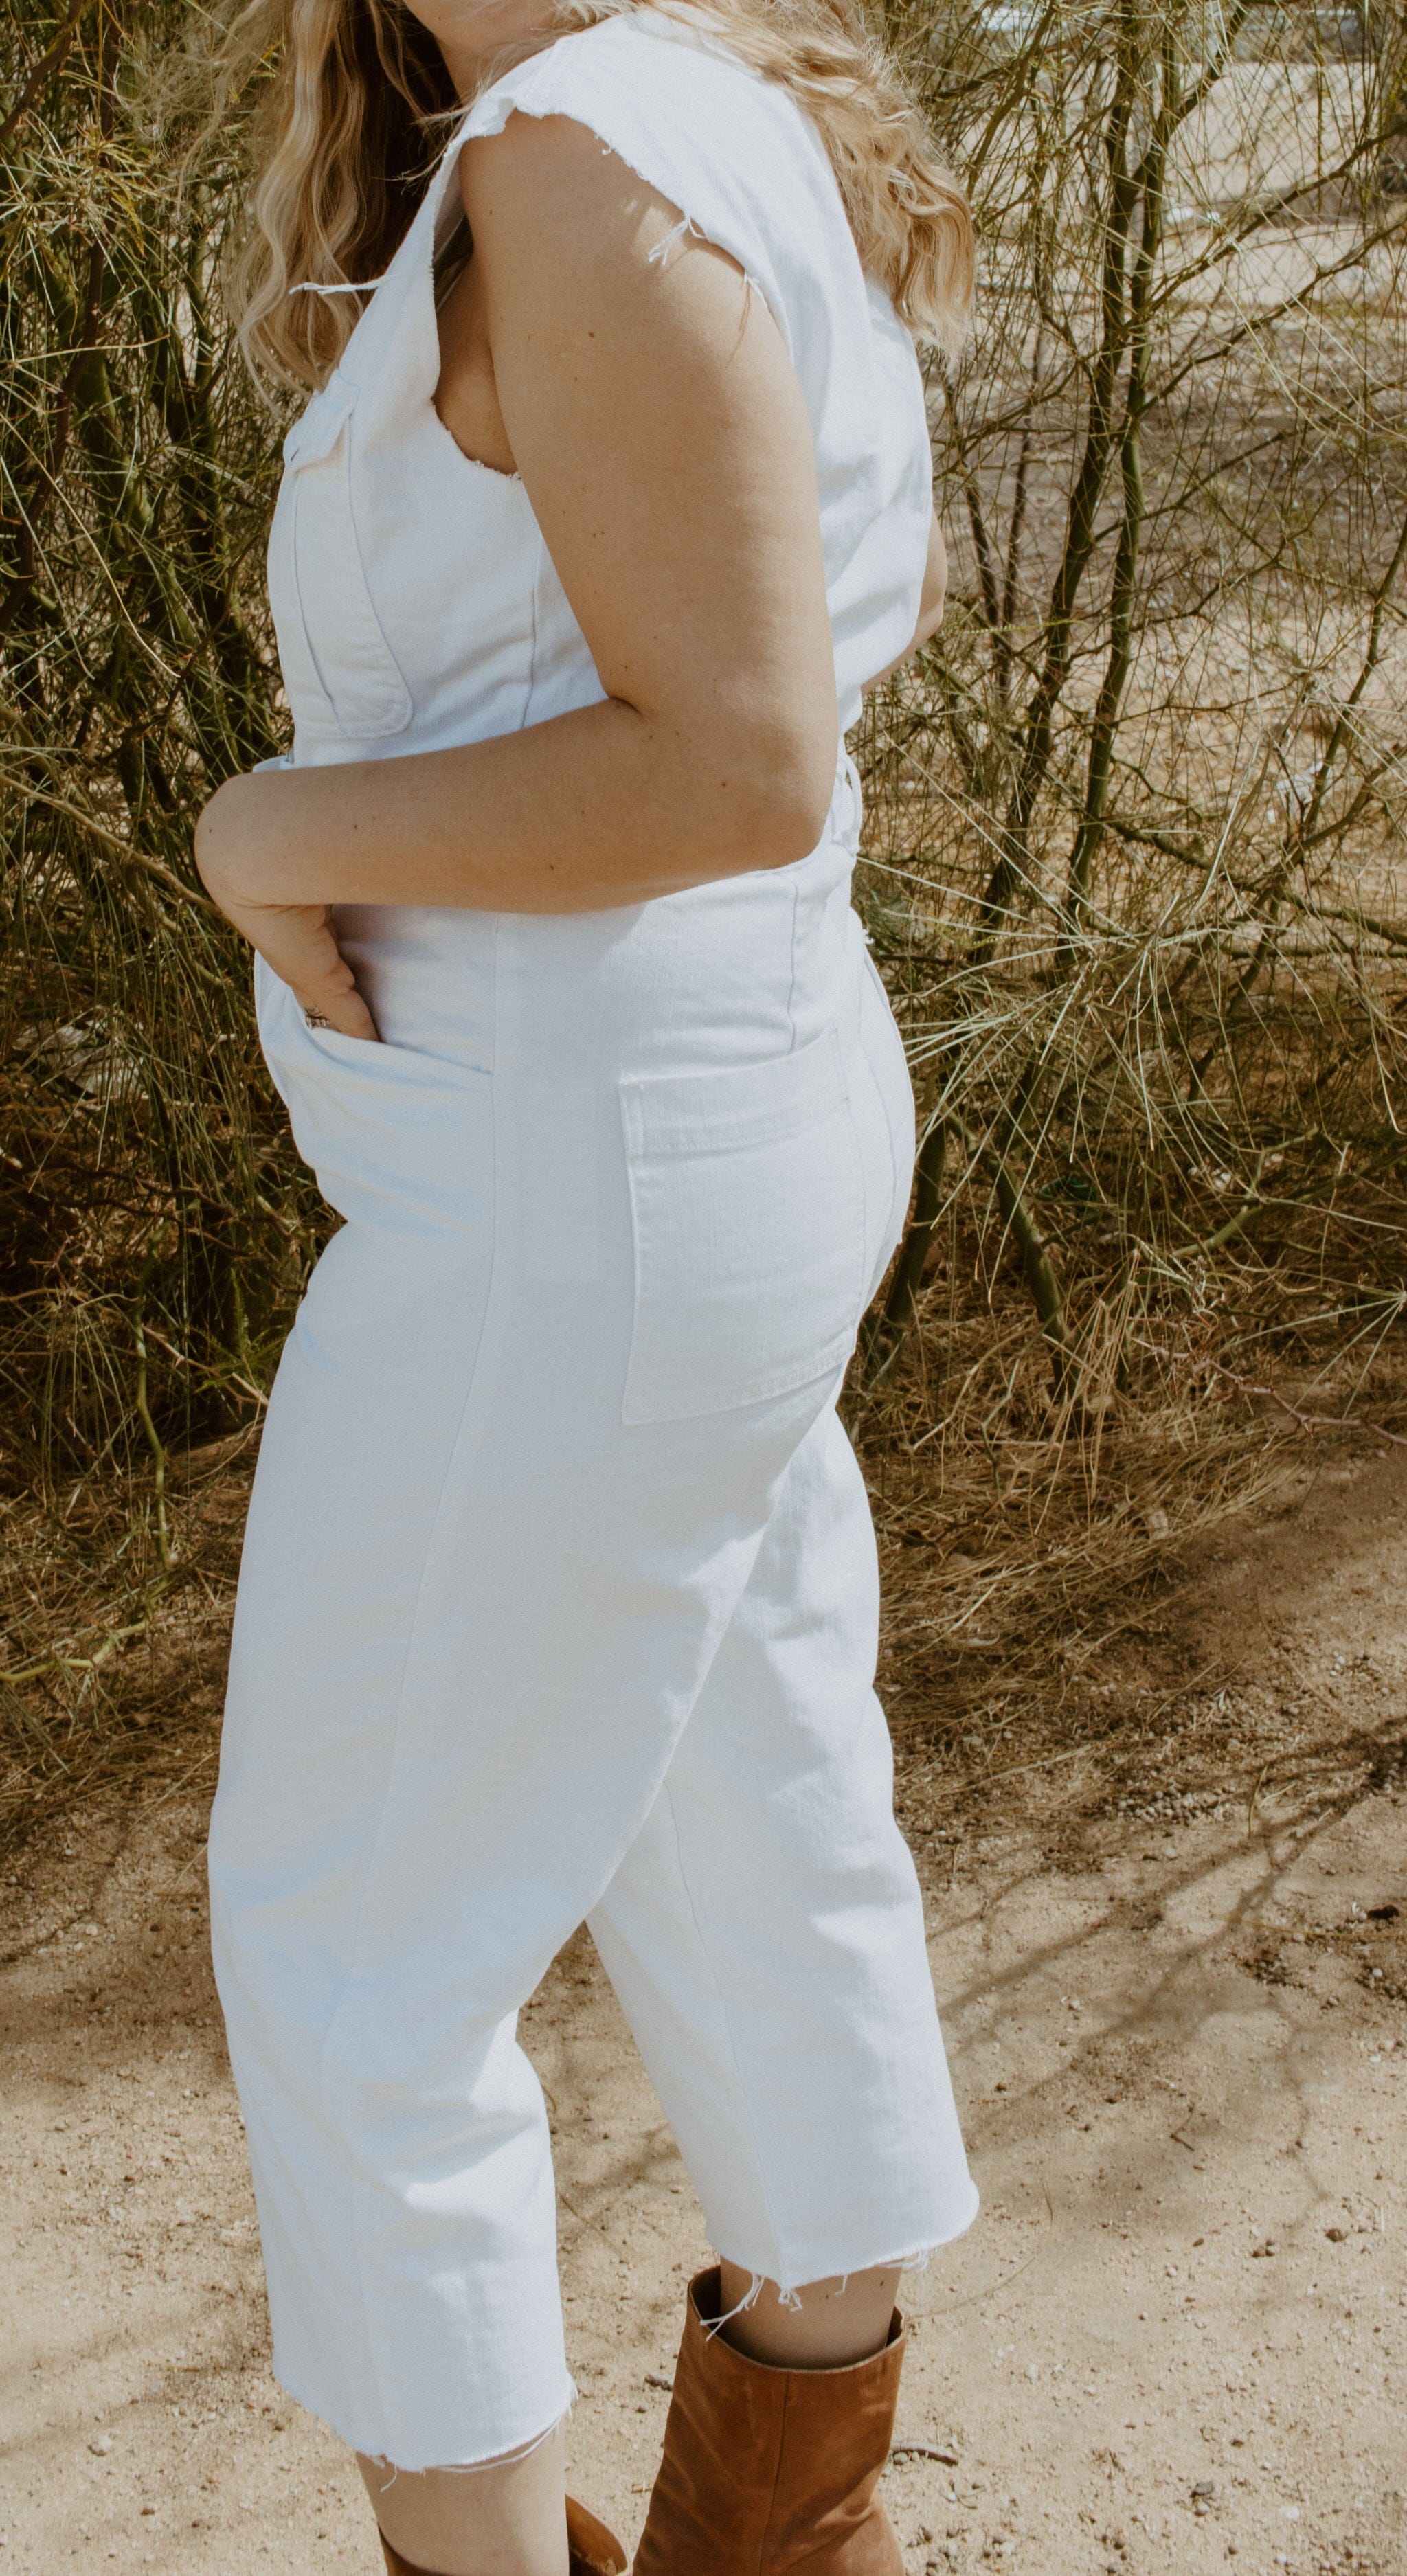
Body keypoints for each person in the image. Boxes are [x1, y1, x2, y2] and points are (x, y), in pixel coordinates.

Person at [194, 1, 978, 2568]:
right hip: (687, 1153)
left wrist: (269, 821)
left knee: (351, 1961)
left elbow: (732, 755)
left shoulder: (576, 150)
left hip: (569, 1199)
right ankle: (799, 2523)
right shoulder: (701, 120)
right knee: (750, 1811)